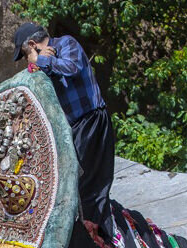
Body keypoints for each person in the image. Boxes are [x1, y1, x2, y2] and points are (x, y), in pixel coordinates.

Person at [13, 22, 115, 231]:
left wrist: (41, 59)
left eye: (25, 54)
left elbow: (71, 68)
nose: (26, 60)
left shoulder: (67, 44)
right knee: (68, 186)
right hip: (72, 129)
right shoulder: (44, 65)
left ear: (32, 45)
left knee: (89, 187)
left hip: (91, 122)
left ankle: (99, 236)